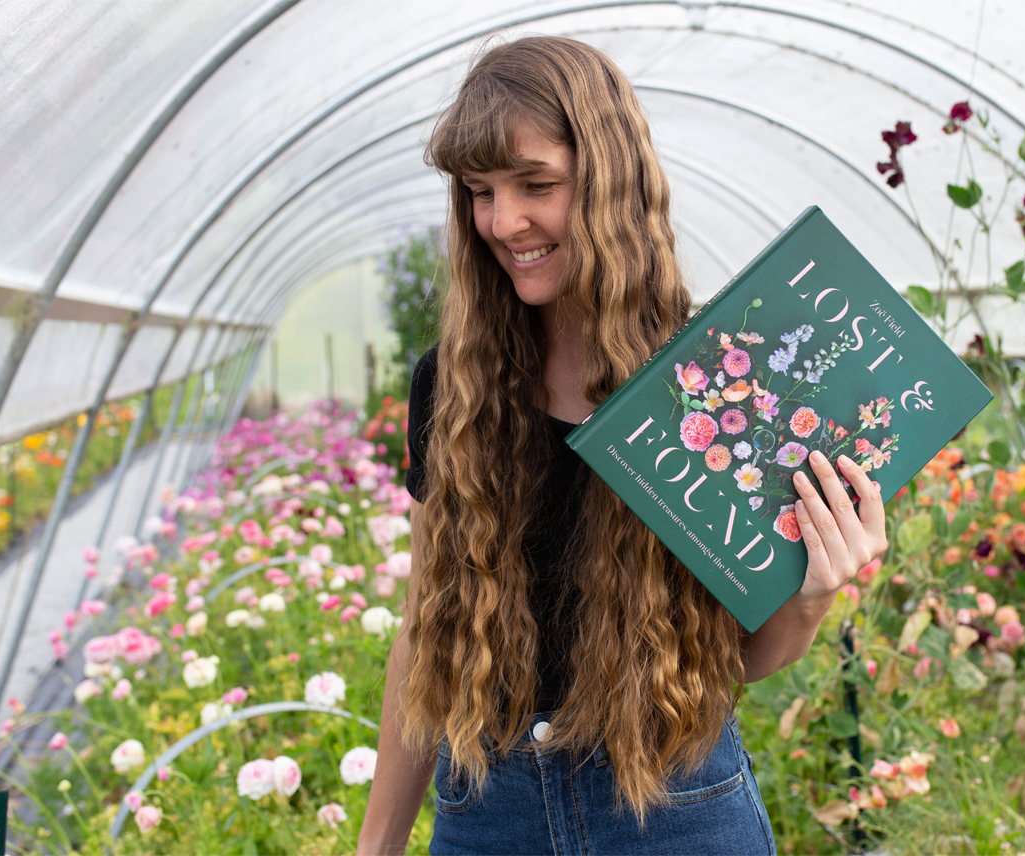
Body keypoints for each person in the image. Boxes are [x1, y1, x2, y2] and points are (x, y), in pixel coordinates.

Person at [356, 35, 888, 856]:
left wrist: (811, 593)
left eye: (537, 185)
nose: (504, 222)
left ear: (609, 180)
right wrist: (376, 847)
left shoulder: (716, 376)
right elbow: (428, 628)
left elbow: (740, 659)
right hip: (488, 810)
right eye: (478, 192)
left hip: (673, 805)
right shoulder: (454, 383)